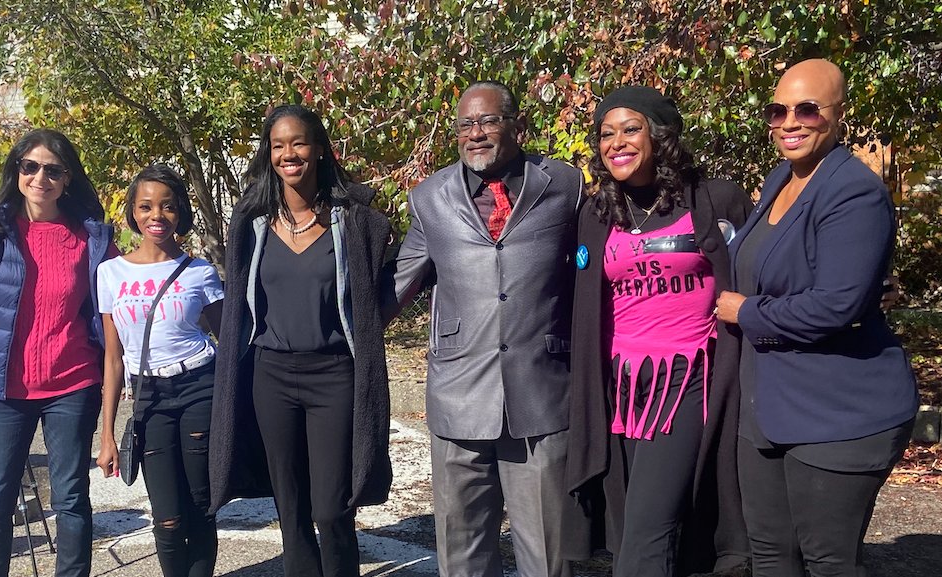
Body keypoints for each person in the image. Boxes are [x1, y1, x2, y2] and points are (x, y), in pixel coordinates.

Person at [715, 58, 918, 577]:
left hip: (837, 410)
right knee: (769, 558)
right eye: (777, 110)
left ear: (839, 114)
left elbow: (836, 304)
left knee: (828, 562)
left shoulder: (853, 191)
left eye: (807, 109)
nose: (789, 122)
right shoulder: (781, 177)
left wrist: (747, 310)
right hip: (767, 408)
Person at [382, 80, 588, 577]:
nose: (476, 134)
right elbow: (398, 283)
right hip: (458, 396)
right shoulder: (429, 197)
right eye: (465, 125)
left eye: (488, 121)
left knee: (547, 555)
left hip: (540, 392)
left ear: (514, 125)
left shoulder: (565, 184)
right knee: (463, 552)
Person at [564, 86, 752, 577]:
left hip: (687, 379)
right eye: (606, 134)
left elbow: (766, 261)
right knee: (629, 525)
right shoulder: (597, 212)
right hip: (621, 387)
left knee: (648, 533)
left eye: (630, 129)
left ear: (660, 135)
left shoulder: (716, 199)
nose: (616, 143)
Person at [208, 105, 393, 577]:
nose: (289, 154)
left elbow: (378, 298)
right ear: (269, 155)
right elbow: (237, 311)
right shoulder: (251, 226)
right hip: (270, 375)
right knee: (289, 509)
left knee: (332, 510)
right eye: (278, 145)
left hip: (334, 375)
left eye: (298, 143)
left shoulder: (352, 222)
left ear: (319, 149)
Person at [0, 128, 116, 577]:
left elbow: (114, 297)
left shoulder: (89, 236)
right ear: (17, 170)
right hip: (4, 389)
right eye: (31, 167)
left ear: (68, 179)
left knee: (71, 498)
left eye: (53, 170)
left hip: (72, 384)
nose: (41, 177)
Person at [95, 165, 223, 577]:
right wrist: (108, 435)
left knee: (201, 507)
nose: (157, 216)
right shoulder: (111, 273)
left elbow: (231, 339)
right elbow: (113, 359)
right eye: (146, 206)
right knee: (167, 518)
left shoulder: (200, 271)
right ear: (132, 212)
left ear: (180, 212)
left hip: (200, 386)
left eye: (168, 207)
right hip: (149, 395)